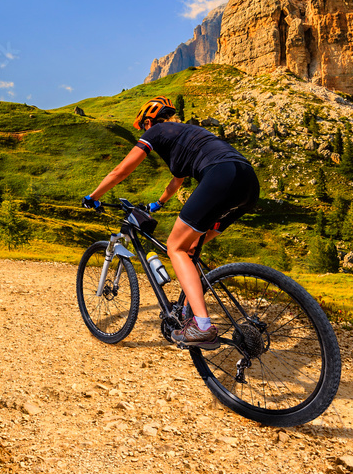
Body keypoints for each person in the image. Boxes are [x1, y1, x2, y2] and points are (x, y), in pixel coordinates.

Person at [82, 96, 259, 347]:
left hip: (221, 175)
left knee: (174, 246)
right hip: (248, 184)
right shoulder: (185, 135)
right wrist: (158, 203)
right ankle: (189, 313)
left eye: (144, 126)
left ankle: (202, 325)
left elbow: (122, 170)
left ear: (148, 122)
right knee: (189, 250)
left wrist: (93, 196)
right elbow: (176, 182)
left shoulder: (157, 131)